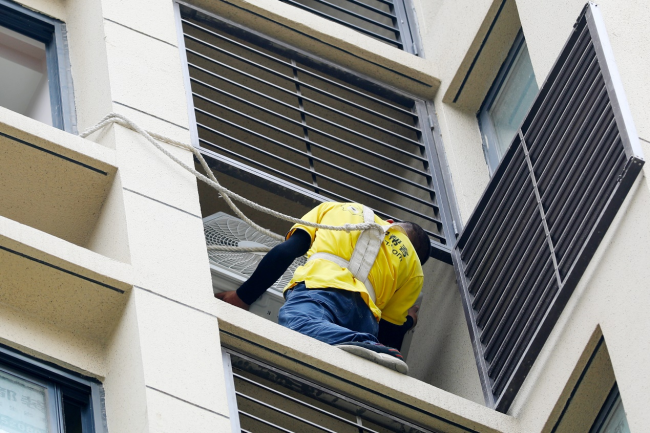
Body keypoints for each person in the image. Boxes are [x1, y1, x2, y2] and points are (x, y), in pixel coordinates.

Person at [215, 202, 429, 374]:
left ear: (391, 223)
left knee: (296, 323)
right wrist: (408, 321)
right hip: (365, 320)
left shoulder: (335, 209)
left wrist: (242, 297)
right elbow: (387, 341)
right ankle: (360, 343)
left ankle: (359, 343)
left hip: (321, 291)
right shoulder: (414, 269)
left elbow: (285, 252)